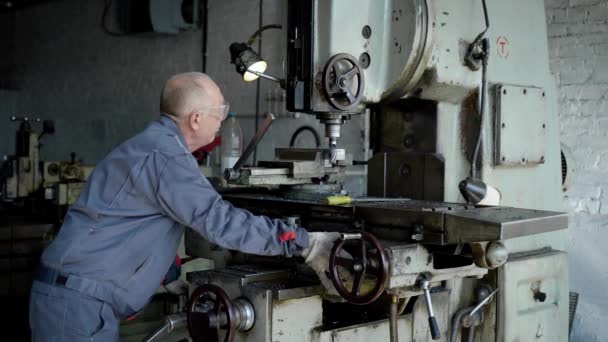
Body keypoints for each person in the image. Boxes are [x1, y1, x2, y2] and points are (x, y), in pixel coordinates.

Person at [29, 72, 338, 341]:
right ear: (196, 118)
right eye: (220, 112)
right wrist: (304, 243)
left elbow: (130, 222)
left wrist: (164, 273)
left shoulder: (153, 145)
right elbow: (219, 222)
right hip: (77, 307)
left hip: (73, 300)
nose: (222, 120)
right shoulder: (166, 156)